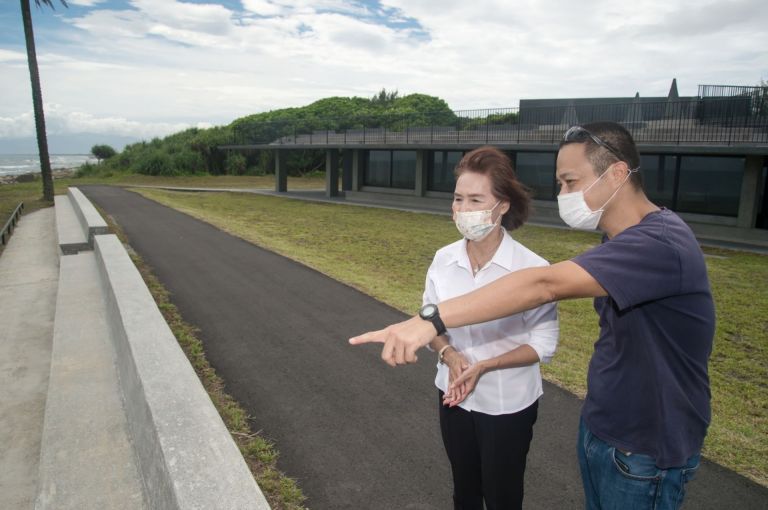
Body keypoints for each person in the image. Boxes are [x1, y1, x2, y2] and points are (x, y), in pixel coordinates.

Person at [350, 122, 715, 510]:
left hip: (644, 446)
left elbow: (544, 285)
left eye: (571, 182)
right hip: (607, 428)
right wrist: (447, 350)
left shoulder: (658, 244)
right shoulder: (618, 242)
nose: (564, 195)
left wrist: (430, 320)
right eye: (560, 183)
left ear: (618, 173)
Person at [425, 147, 558, 509]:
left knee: (502, 495)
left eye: (475, 200)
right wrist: (448, 354)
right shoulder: (443, 259)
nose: (462, 209)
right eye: (457, 198)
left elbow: (544, 343)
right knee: (464, 490)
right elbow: (429, 321)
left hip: (507, 403)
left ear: (501, 205)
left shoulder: (532, 269)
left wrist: (486, 365)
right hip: (452, 396)